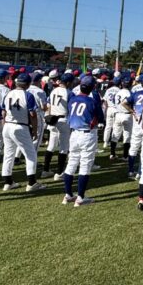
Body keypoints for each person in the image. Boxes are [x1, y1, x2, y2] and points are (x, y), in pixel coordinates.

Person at [62, 75, 102, 207]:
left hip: (74, 134)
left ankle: (68, 194)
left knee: (71, 163)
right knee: (85, 165)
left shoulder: (72, 99)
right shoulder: (92, 101)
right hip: (87, 134)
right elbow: (100, 118)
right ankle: (80, 197)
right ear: (92, 87)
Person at [1, 73, 43, 192]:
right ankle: (31, 183)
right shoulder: (27, 95)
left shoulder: (9, 93)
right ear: (28, 84)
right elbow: (33, 115)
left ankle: (8, 182)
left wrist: (5, 124)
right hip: (20, 126)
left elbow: (3, 112)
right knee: (31, 155)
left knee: (8, 155)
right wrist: (34, 130)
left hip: (8, 125)